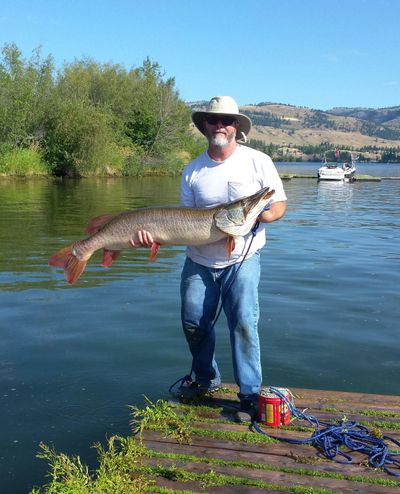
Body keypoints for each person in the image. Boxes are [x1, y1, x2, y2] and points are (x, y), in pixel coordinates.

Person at [136, 96, 287, 421]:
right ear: (205, 125)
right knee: (194, 323)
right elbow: (182, 220)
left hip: (243, 257)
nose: (221, 125)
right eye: (214, 120)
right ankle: (206, 379)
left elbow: (278, 204)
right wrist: (152, 237)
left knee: (244, 323)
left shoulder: (258, 161)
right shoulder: (193, 170)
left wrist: (263, 216)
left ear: (237, 127)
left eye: (227, 120)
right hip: (199, 260)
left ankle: (248, 394)